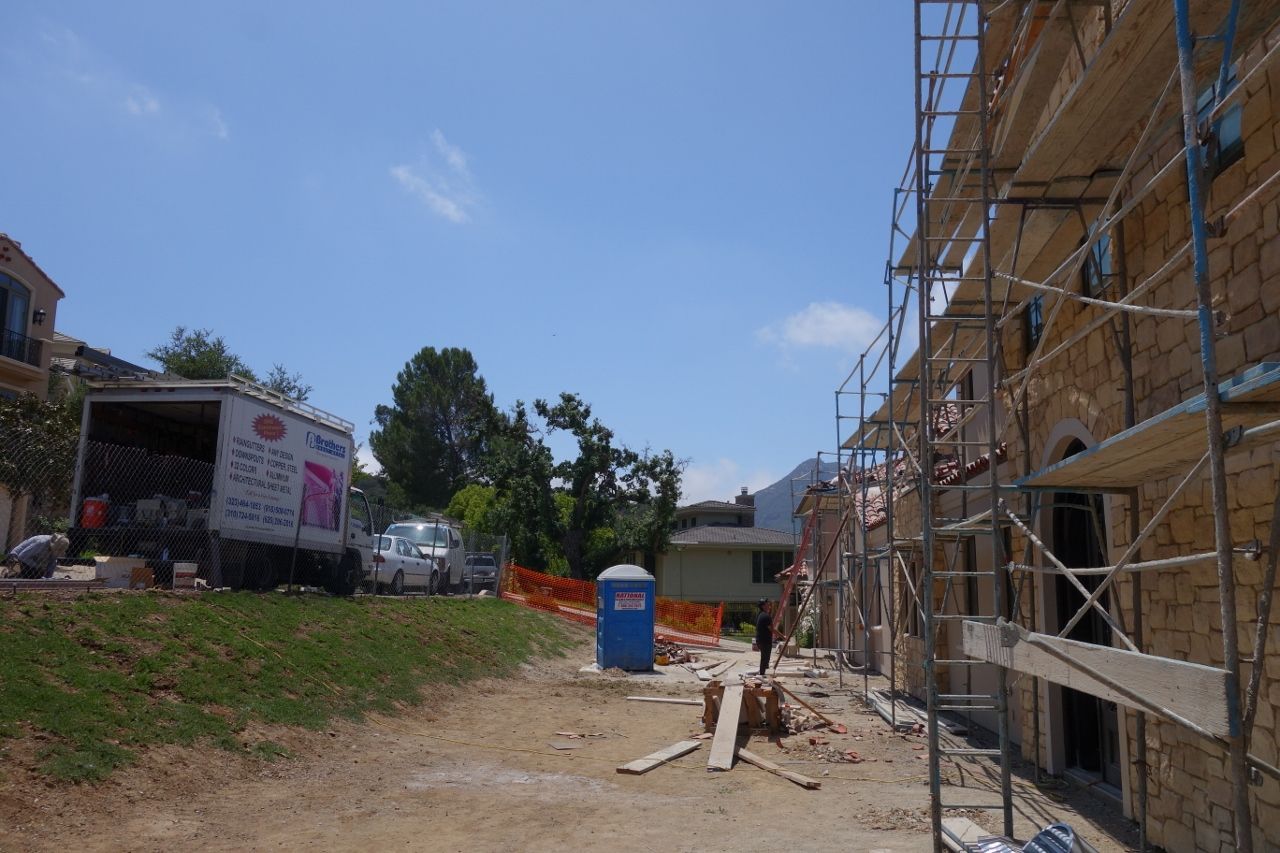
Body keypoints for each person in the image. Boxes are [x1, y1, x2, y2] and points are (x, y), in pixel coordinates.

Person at [3, 533, 70, 579]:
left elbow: (52, 562)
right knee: (29, 575)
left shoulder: (56, 546)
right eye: (57, 549)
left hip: (31, 562)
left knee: (38, 575)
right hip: (15, 558)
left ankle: (16, 574)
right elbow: (22, 556)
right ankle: (10, 572)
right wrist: (37, 566)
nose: (58, 552)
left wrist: (48, 578)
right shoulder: (41, 543)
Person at [754, 598, 776, 677]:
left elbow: (770, 622)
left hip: (761, 640)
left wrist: (772, 608)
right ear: (763, 606)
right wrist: (783, 637)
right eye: (767, 604)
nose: (769, 605)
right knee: (765, 659)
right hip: (764, 641)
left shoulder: (761, 614)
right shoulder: (766, 616)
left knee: (765, 659)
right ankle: (761, 675)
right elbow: (772, 629)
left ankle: (764, 674)